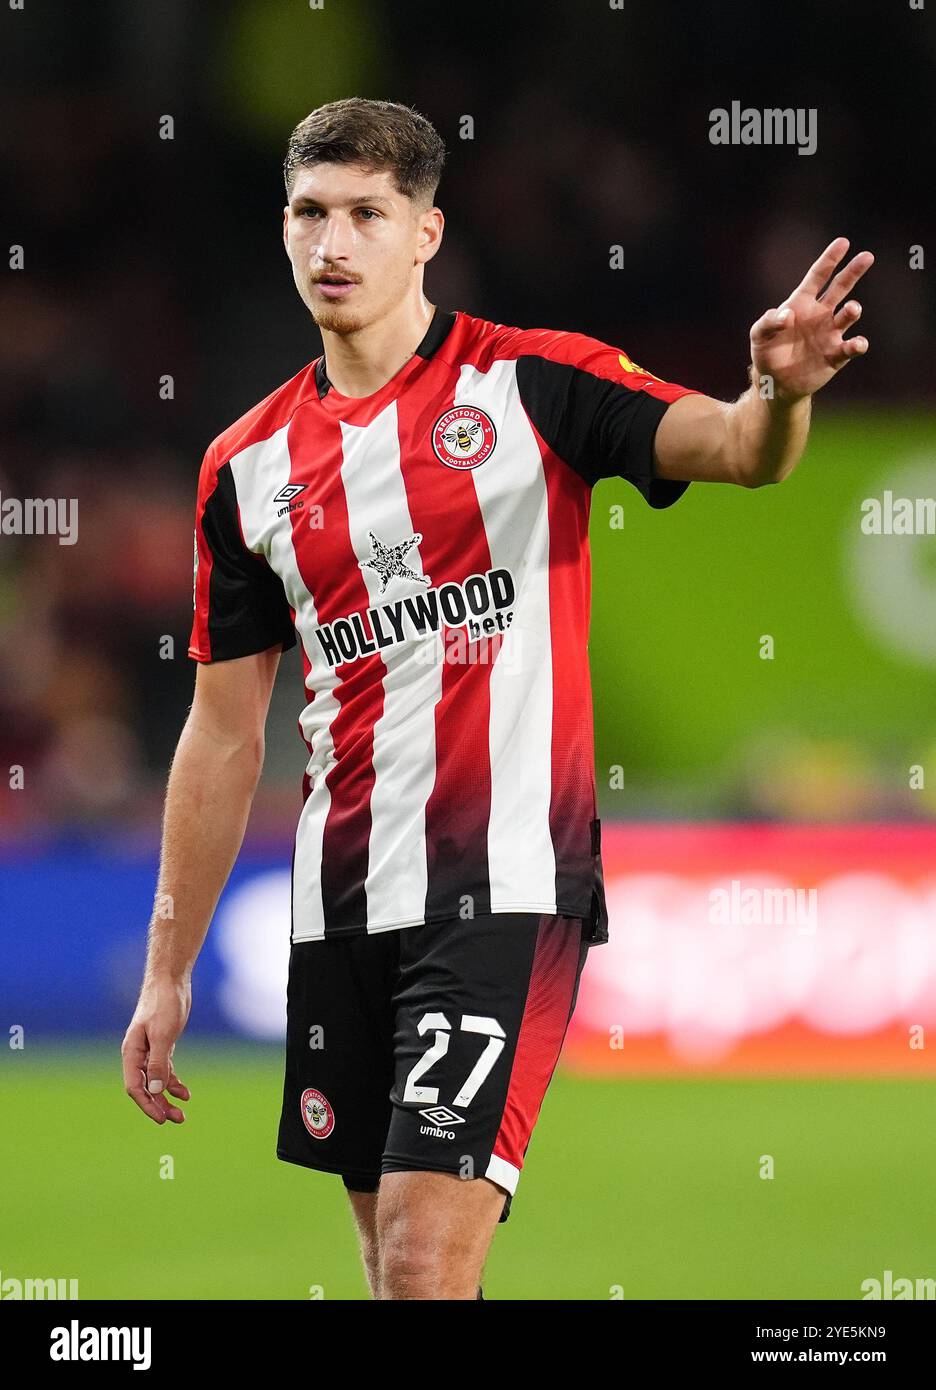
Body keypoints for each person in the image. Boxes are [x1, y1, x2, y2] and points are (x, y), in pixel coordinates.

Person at [122, 97, 873, 1301]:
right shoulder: (245, 467)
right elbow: (220, 739)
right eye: (311, 214)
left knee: (423, 1259)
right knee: (391, 1269)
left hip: (505, 886)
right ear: (282, 227)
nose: (334, 244)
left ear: (425, 232)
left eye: (368, 214)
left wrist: (781, 397)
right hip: (341, 895)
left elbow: (736, 449)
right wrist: (167, 968)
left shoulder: (533, 384)